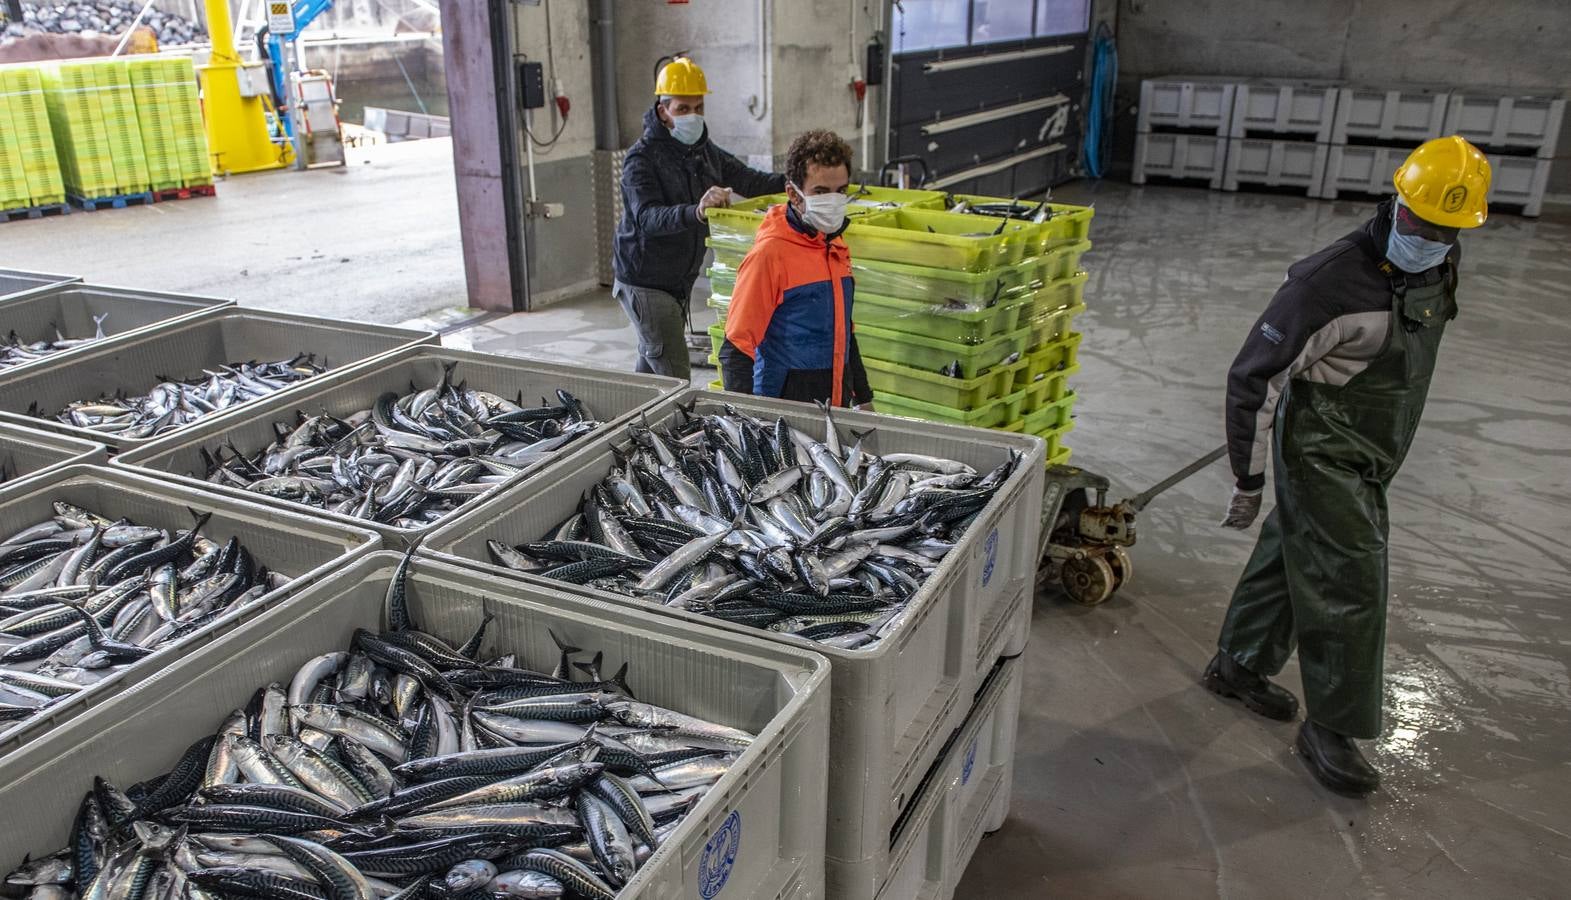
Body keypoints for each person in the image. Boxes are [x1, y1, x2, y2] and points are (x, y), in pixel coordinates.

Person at [1203, 135, 1491, 797]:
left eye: (1448, 228)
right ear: (1396, 198)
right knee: (1350, 579)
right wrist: (1248, 480)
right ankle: (1332, 727)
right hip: (1322, 451)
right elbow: (1251, 379)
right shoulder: (1325, 283)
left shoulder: (1439, 259)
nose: (1433, 236)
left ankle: (1238, 663)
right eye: (1422, 222)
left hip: (1381, 443)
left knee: (1295, 547)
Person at [612, 56, 785, 380]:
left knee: (652, 369)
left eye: (698, 107)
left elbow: (748, 179)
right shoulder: (641, 158)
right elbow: (647, 218)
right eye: (683, 109)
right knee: (677, 381)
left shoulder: (704, 151)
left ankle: (632, 421)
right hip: (645, 280)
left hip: (677, 279)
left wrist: (796, 181)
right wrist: (696, 210)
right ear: (663, 112)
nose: (693, 116)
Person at [719, 129, 873, 408]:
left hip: (833, 405)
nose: (834, 202)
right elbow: (736, 350)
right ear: (793, 193)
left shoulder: (834, 245)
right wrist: (747, 424)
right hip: (784, 411)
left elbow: (844, 333)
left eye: (841, 192)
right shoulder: (770, 255)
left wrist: (863, 399)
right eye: (821, 192)